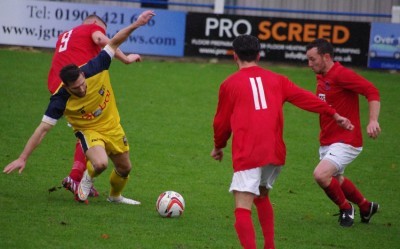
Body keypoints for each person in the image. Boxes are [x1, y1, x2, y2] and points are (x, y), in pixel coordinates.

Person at [210, 35, 354, 249]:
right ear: (259, 55)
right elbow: (305, 97)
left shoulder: (229, 84)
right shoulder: (278, 79)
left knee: (242, 207)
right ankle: (270, 246)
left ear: (235, 56)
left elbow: (221, 122)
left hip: (249, 151)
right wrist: (333, 114)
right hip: (274, 152)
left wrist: (219, 145)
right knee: (262, 195)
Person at [3, 10, 156, 205]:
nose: (82, 89)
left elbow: (115, 40)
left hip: (111, 123)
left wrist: (137, 24)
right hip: (87, 127)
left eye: (83, 84)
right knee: (100, 163)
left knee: (125, 167)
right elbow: (42, 130)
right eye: (76, 88)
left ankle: (115, 197)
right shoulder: (60, 98)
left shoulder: (93, 65)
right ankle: (84, 178)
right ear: (67, 87)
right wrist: (22, 158)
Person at [48, 14, 142, 197]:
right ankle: (76, 178)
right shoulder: (91, 28)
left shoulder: (65, 35)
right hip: (74, 86)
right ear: (94, 23)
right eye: (102, 29)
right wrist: (126, 58)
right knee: (87, 127)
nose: (101, 33)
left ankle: (78, 177)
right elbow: (102, 40)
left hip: (57, 86)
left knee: (85, 128)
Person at [306, 38, 381, 227]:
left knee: (321, 175)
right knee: (337, 180)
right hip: (328, 139)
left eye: (313, 59)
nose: (309, 64)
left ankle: (346, 208)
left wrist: (373, 120)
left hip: (347, 139)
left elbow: (372, 91)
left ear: (326, 56)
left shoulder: (341, 75)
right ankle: (365, 206)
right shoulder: (322, 76)